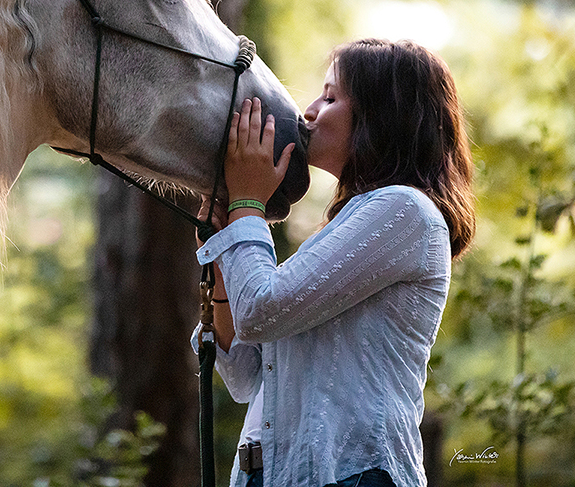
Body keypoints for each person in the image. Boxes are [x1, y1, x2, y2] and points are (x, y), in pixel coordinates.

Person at [194, 38, 476, 487]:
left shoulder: (405, 212)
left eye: (329, 96)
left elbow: (260, 311)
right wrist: (229, 238)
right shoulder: (347, 227)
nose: (308, 111)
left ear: (383, 116)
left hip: (351, 476)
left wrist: (247, 204)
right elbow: (246, 375)